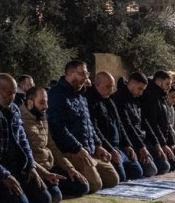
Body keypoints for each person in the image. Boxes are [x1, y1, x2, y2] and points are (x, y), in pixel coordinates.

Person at [47, 60, 120, 193]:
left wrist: (98, 145)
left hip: (90, 150)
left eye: (87, 74)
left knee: (113, 179)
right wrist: (77, 148)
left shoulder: (81, 95)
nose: (86, 78)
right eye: (83, 74)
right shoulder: (56, 95)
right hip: (73, 151)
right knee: (94, 185)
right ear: (70, 73)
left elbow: (89, 124)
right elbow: (58, 128)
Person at [0, 74, 53, 203]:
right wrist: (4, 176)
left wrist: (31, 166)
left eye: (14, 93)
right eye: (9, 93)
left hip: (17, 167)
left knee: (47, 198)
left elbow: (23, 140)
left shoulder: (14, 109)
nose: (12, 97)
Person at [19, 86, 90, 201]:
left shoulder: (43, 117)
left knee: (83, 186)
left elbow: (52, 147)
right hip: (35, 170)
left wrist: (69, 168)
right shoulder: (20, 121)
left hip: (50, 166)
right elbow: (24, 155)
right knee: (51, 197)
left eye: (46, 102)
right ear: (30, 103)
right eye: (41, 103)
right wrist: (45, 173)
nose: (46, 107)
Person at [85, 73, 149, 181]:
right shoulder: (91, 101)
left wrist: (127, 145)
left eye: (112, 86)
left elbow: (120, 124)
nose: (110, 90)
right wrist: (110, 149)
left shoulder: (110, 100)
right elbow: (95, 129)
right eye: (107, 87)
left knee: (137, 171)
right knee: (120, 176)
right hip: (108, 147)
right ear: (97, 85)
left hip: (119, 147)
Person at [113, 73, 173, 174]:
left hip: (142, 139)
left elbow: (145, 122)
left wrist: (156, 143)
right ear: (132, 83)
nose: (141, 93)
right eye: (139, 89)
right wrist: (141, 147)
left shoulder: (136, 99)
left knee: (165, 165)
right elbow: (127, 125)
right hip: (132, 142)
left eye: (143, 90)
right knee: (150, 170)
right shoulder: (119, 99)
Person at [142, 71, 175, 169]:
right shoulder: (150, 98)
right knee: (166, 166)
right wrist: (162, 144)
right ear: (159, 82)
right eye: (167, 84)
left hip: (164, 140)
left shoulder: (162, 97)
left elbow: (168, 124)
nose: (169, 87)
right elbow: (153, 124)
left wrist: (172, 143)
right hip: (153, 140)